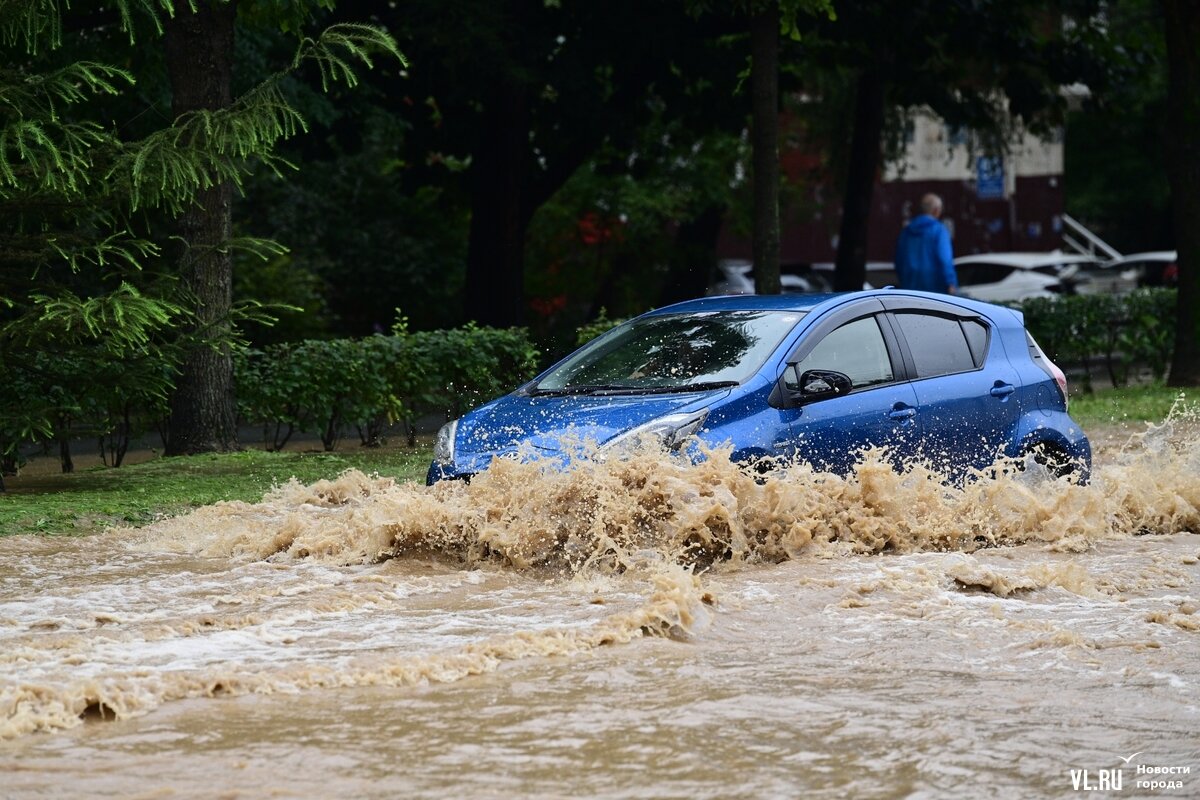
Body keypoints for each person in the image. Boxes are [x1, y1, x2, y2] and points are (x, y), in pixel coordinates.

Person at [894, 193, 958, 294]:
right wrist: (951, 282)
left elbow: (899, 259)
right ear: (936, 210)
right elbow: (945, 258)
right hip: (935, 289)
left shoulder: (906, 231)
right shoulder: (939, 230)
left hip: (909, 287)